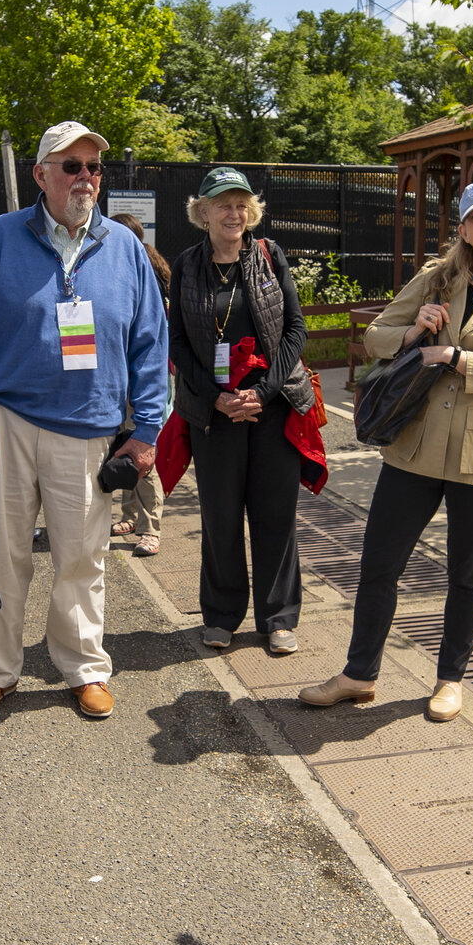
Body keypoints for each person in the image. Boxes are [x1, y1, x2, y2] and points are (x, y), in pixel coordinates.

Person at [299, 176, 473, 721]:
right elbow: (375, 338)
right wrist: (414, 332)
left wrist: (453, 358)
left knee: (466, 575)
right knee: (379, 565)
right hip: (414, 447)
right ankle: (359, 674)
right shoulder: (436, 278)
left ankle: (449, 681)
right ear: (462, 229)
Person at [0, 120, 168, 721]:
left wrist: (146, 431)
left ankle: (83, 667)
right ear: (40, 175)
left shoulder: (123, 247)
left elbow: (151, 343)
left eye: (94, 167)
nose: (86, 178)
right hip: (5, 422)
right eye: (72, 166)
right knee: (2, 555)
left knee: (81, 557)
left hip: (89, 426)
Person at [171, 168, 310, 652]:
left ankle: (278, 618)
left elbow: (296, 332)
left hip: (272, 408)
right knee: (221, 517)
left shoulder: (271, 257)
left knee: (275, 517)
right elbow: (178, 342)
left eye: (241, 204)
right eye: (222, 204)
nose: (233, 213)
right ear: (202, 212)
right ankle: (223, 614)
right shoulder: (187, 266)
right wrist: (217, 398)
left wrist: (264, 392)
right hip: (215, 413)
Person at [109, 210, 171, 557]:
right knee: (123, 449)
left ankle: (151, 528)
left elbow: (150, 335)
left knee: (142, 455)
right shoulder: (150, 263)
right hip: (118, 381)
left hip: (140, 381)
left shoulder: (140, 268)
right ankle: (129, 516)